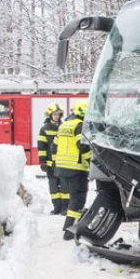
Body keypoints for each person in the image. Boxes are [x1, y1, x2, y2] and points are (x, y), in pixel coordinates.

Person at [52, 100, 92, 240]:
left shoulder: (63, 125)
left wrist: (56, 164)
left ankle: (68, 226)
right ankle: (69, 231)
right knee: (78, 199)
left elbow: (54, 146)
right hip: (76, 168)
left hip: (62, 169)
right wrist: (91, 162)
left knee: (72, 199)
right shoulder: (79, 125)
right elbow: (83, 147)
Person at [37, 103, 68, 215]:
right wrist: (42, 162)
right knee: (54, 188)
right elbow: (41, 147)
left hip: (63, 162)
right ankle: (57, 207)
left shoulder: (64, 127)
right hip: (50, 164)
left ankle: (65, 208)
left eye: (58, 114)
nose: (56, 116)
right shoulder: (44, 129)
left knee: (65, 187)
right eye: (54, 114)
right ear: (50, 115)